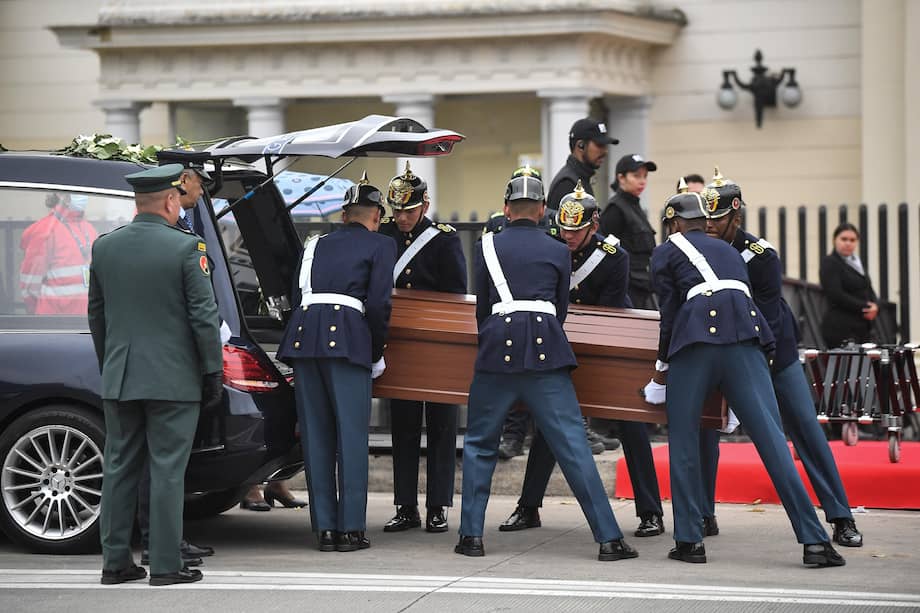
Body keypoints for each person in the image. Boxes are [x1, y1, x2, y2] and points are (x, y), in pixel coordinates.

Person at [646, 187, 844, 567]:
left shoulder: (666, 251)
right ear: (705, 223)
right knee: (772, 441)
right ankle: (815, 541)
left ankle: (689, 540)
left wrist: (661, 367)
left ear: (673, 223)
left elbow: (670, 313)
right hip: (747, 342)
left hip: (695, 341)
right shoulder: (731, 251)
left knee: (685, 440)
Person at [455, 170, 637, 562]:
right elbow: (560, 309)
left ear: (505, 208)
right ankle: (608, 539)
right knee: (573, 444)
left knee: (481, 444)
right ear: (542, 211)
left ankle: (471, 537)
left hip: (496, 349)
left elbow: (483, 310)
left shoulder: (485, 245)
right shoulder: (558, 249)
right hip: (544, 349)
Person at [701, 170, 863, 548]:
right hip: (721, 352)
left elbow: (769, 318)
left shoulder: (759, 255)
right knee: (703, 429)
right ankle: (702, 514)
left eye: (717, 218)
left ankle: (840, 516)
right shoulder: (698, 252)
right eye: (706, 218)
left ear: (735, 216)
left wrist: (760, 371)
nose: (710, 225)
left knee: (805, 429)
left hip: (773, 352)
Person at [499, 180, 665, 538]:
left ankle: (650, 512)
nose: (570, 237)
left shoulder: (613, 256)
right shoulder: (552, 246)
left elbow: (610, 310)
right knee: (547, 425)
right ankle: (528, 507)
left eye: (578, 230)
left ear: (594, 225)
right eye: (565, 229)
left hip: (608, 345)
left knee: (631, 425)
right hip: (561, 341)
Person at [89, 164, 223, 586]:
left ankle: (115, 563)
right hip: (173, 378)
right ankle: (165, 564)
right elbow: (204, 317)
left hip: (121, 374)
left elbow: (97, 315)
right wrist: (212, 370)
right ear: (170, 200)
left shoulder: (105, 247)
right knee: (167, 469)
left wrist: (111, 362)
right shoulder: (186, 248)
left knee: (118, 467)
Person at [276, 172, 395, 553]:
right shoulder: (381, 245)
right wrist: (375, 352)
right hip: (348, 340)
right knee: (352, 437)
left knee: (316, 436)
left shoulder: (313, 244)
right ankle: (351, 530)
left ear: (344, 215)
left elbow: (297, 295)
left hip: (305, 338)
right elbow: (378, 305)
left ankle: (325, 529)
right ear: (376, 216)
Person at [135, 155, 217, 567]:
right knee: (162, 461)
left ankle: (170, 538)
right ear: (181, 183)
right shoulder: (176, 235)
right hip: (169, 364)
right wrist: (211, 368)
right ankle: (158, 542)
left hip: (148, 363)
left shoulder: (186, 227)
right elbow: (197, 309)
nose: (204, 192)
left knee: (169, 461)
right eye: (201, 184)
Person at [378, 162, 467, 534]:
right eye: (397, 210)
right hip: (398, 343)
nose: (401, 217)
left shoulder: (444, 240)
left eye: (409, 210)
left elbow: (457, 294)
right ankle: (405, 505)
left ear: (424, 206)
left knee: (443, 426)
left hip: (435, 345)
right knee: (403, 424)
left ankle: (438, 505)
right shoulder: (383, 236)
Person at [20, 192, 99, 314]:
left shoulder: (89, 229)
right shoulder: (44, 230)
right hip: (54, 323)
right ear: (61, 195)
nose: (82, 195)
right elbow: (30, 286)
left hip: (84, 322)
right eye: (76, 190)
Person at [599, 154, 658, 310]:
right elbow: (606, 254)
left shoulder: (635, 206)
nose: (642, 181)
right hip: (628, 289)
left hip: (645, 286)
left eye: (645, 176)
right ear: (621, 178)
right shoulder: (615, 209)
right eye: (636, 175)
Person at [819, 223, 879, 348]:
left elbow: (868, 288)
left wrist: (875, 306)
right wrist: (866, 307)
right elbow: (836, 294)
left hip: (861, 327)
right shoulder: (830, 262)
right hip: (840, 327)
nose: (848, 243)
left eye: (852, 240)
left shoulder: (857, 263)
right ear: (835, 240)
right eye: (844, 239)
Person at [546, 117, 619, 211]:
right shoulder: (567, 183)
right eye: (600, 145)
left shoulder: (581, 178)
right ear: (580, 146)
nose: (605, 151)